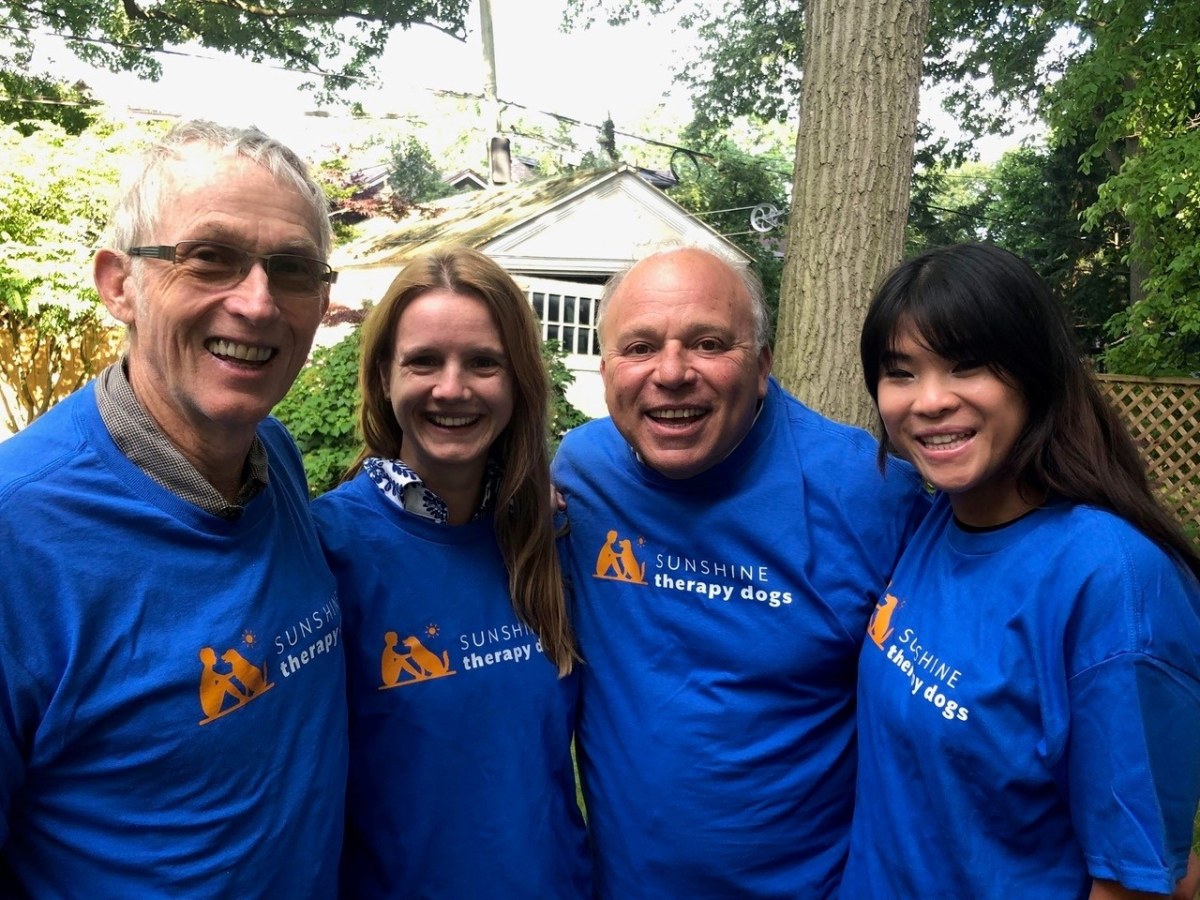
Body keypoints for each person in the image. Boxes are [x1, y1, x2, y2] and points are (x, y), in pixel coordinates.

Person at [0, 120, 347, 894]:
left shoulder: (275, 460)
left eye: (292, 270)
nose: (257, 304)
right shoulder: (17, 537)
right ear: (120, 284)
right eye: (210, 258)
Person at [551, 244, 930, 898]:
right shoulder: (580, 476)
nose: (670, 373)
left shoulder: (868, 496)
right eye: (639, 348)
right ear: (607, 368)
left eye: (707, 343)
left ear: (760, 366)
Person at [842, 242, 1200, 899]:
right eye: (901, 372)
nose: (929, 400)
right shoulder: (933, 522)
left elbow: (1135, 882)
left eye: (967, 365)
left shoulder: (1113, 581)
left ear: (1034, 374)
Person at [311, 246, 591, 898]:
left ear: (518, 378)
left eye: (484, 363)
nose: (453, 388)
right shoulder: (328, 549)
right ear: (384, 376)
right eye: (424, 361)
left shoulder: (550, 537)